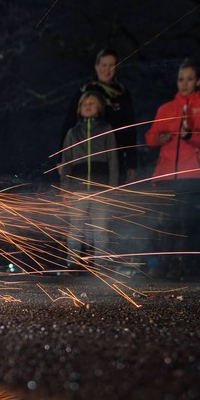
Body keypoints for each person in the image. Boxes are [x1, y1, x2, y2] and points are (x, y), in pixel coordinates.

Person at [144, 57, 200, 278]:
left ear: (198, 81)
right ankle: (164, 263)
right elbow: (150, 137)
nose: (184, 84)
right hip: (166, 173)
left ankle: (181, 263)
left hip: (191, 173)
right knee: (167, 219)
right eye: (181, 79)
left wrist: (190, 135)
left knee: (184, 220)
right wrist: (161, 137)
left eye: (189, 79)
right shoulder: (167, 108)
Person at [59, 91, 119, 270]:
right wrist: (65, 189)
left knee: (100, 229)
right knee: (76, 229)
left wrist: (112, 188)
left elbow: (113, 160)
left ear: (99, 108)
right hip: (77, 189)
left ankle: (101, 265)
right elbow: (66, 162)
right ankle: (72, 264)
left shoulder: (107, 130)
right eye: (84, 103)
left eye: (92, 103)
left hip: (100, 189)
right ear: (79, 108)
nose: (88, 105)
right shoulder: (73, 133)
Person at [62, 48, 138, 184]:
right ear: (96, 66)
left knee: (112, 196)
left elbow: (130, 129)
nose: (107, 69)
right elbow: (69, 123)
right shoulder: (85, 91)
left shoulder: (122, 94)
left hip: (116, 156)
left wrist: (131, 162)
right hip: (84, 157)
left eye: (111, 65)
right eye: (104, 65)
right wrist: (61, 159)